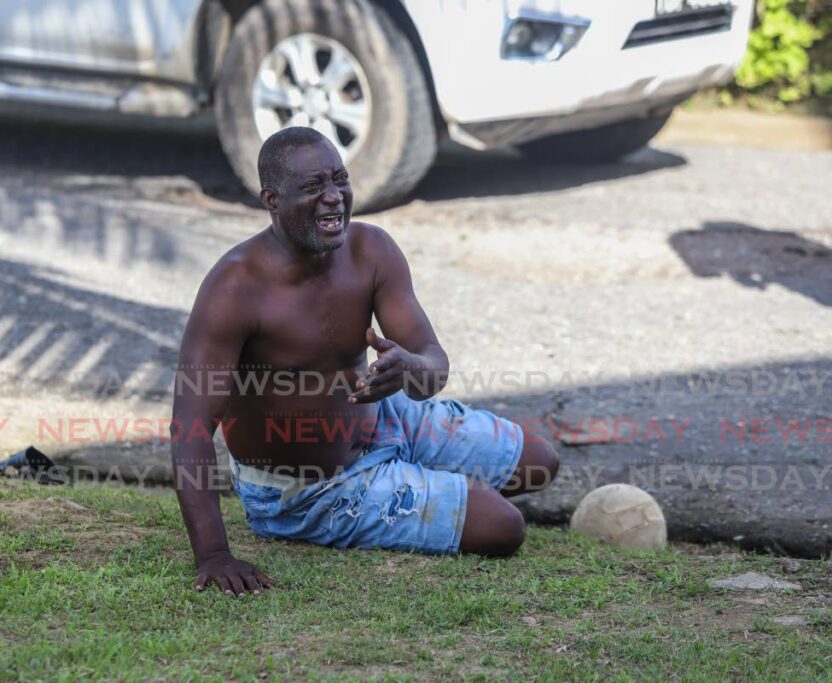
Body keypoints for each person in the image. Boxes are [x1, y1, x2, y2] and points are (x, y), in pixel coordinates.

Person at [171, 127, 559, 597]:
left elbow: (433, 365)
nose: (334, 198)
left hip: (383, 419)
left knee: (540, 463)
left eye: (340, 180)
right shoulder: (235, 288)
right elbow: (189, 426)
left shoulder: (372, 250)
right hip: (307, 490)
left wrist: (409, 368)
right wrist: (213, 553)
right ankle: (423, 490)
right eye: (313, 187)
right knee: (502, 527)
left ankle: (423, 480)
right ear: (271, 200)